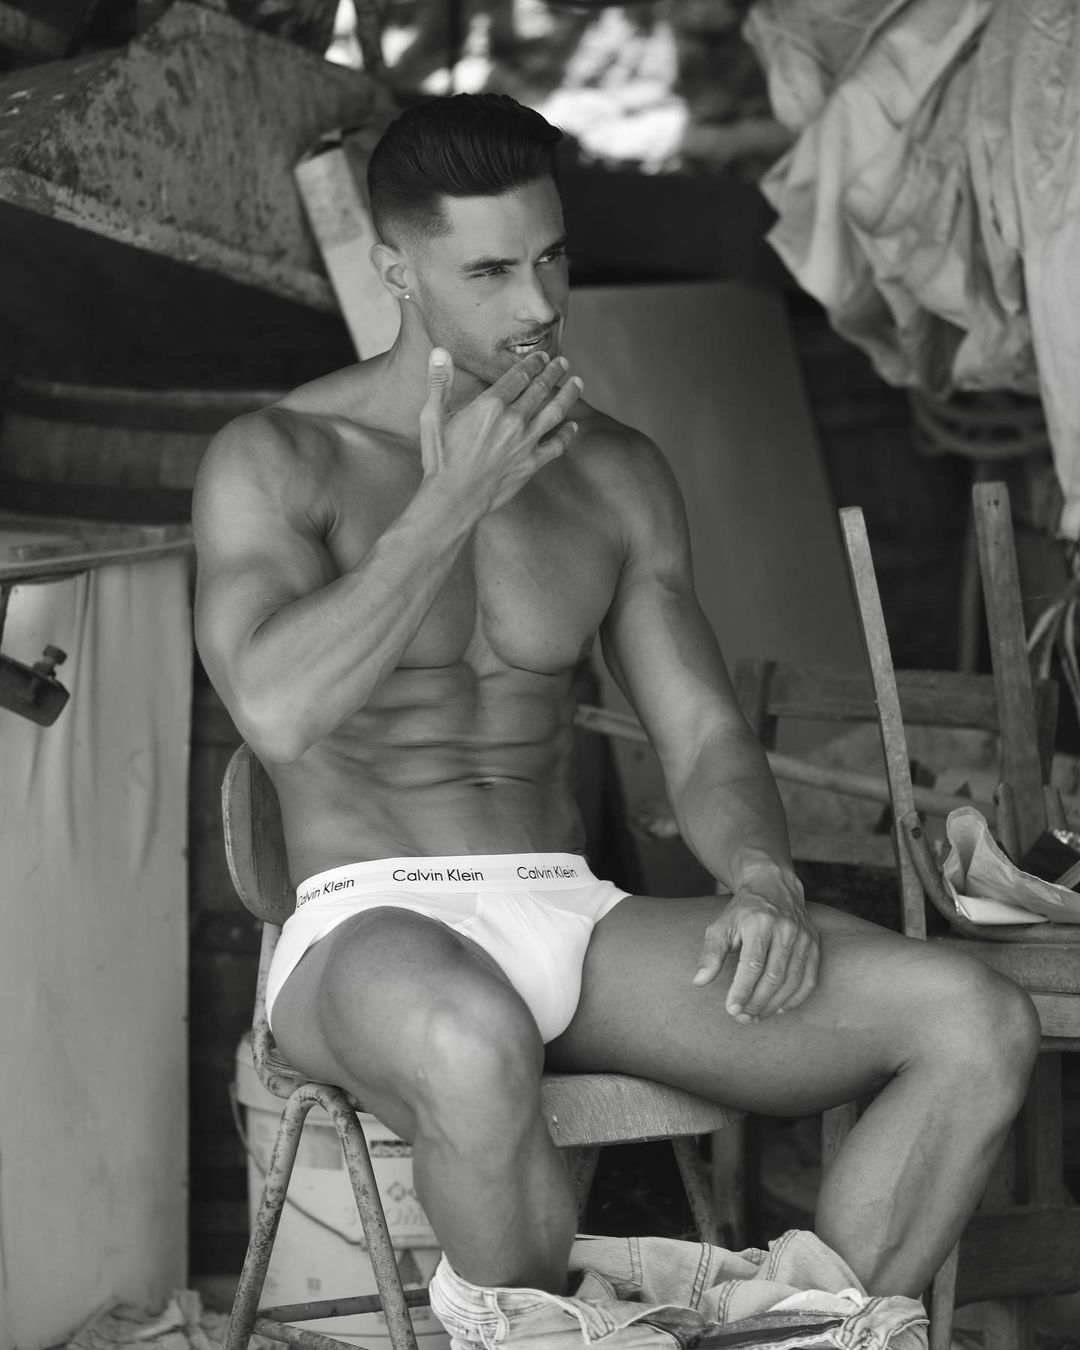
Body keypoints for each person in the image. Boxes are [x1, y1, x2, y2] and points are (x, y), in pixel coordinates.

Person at [193, 93, 1038, 1311]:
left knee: (974, 1021)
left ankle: (818, 1332)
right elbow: (275, 712)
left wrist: (762, 877)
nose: (538, 302)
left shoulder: (615, 470)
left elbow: (699, 736)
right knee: (471, 1042)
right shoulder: (278, 457)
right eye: (490, 270)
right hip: (365, 927)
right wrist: (450, 500)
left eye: (551, 257)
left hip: (574, 920)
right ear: (397, 272)